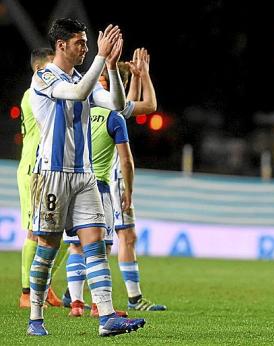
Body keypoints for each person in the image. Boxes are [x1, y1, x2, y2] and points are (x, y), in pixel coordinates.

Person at [27, 17, 145, 336]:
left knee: (96, 243)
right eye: (81, 42)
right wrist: (101, 59)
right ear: (62, 45)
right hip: (51, 175)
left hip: (84, 176)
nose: (86, 47)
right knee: (49, 248)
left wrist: (111, 68)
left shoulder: (85, 76)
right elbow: (78, 93)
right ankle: (35, 317)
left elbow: (118, 105)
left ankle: (106, 317)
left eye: (87, 43)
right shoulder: (44, 77)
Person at [62, 48, 165, 316]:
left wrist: (138, 77)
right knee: (108, 241)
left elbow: (126, 103)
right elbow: (143, 107)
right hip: (109, 182)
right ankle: (108, 300)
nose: (104, 86)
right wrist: (143, 77)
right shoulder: (109, 114)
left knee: (82, 242)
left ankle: (73, 297)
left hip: (73, 180)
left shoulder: (78, 109)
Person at [17, 48, 67, 309]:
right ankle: (27, 293)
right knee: (34, 231)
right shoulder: (32, 95)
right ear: (40, 71)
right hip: (32, 170)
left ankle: (44, 285)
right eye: (51, 69)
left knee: (61, 233)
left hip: (49, 169)